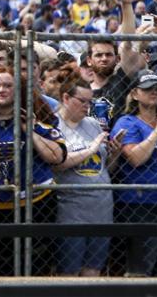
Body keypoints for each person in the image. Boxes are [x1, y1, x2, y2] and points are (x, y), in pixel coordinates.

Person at [0, 67, 67, 276]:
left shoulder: (40, 120)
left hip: (38, 203)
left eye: (7, 85)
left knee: (37, 266)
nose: (1, 90)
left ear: (19, 90)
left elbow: (57, 157)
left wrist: (29, 130)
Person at [111, 69, 157, 277]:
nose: (154, 92)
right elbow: (136, 158)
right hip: (142, 204)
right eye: (148, 89)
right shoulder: (127, 122)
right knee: (141, 269)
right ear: (135, 94)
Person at [53, 76, 119, 277]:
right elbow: (57, 163)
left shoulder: (92, 124)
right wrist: (89, 149)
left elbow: (106, 167)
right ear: (66, 97)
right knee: (69, 272)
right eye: (82, 101)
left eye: (90, 101)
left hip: (102, 208)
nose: (87, 106)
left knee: (94, 270)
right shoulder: (54, 126)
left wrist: (115, 153)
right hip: (72, 210)